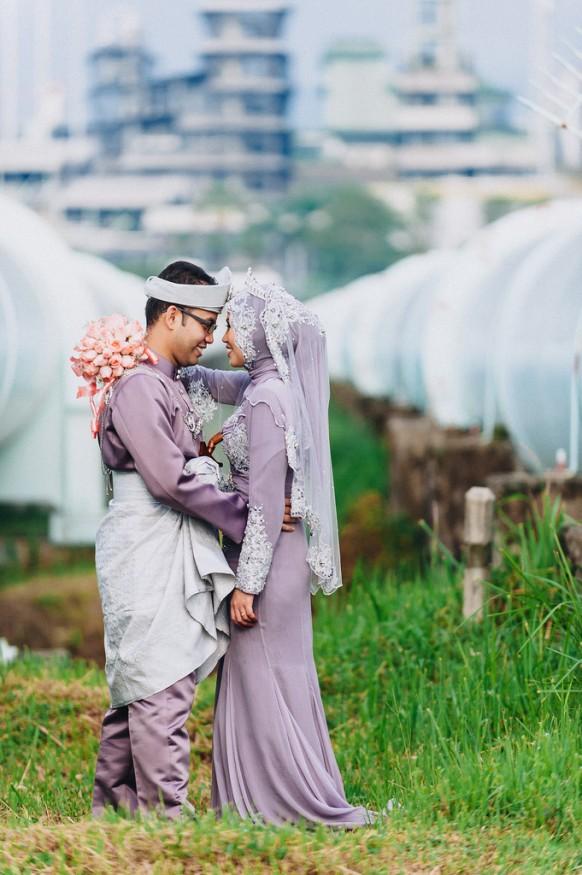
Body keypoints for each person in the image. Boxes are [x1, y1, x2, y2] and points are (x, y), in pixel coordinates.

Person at [91, 260, 295, 820]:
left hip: (161, 540)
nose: (211, 337)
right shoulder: (141, 385)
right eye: (206, 323)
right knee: (159, 682)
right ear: (172, 315)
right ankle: (164, 818)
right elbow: (169, 480)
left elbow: (259, 384)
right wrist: (247, 516)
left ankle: (114, 813)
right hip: (149, 544)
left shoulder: (167, 380)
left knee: (143, 683)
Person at [187, 269, 374, 827]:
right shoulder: (262, 386)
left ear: (258, 333)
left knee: (264, 677)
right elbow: (207, 381)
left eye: (233, 326)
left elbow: (268, 508)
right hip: (272, 553)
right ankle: (266, 796)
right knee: (270, 675)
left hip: (267, 563)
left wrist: (247, 585)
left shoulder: (269, 399)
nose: (224, 336)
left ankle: (277, 802)